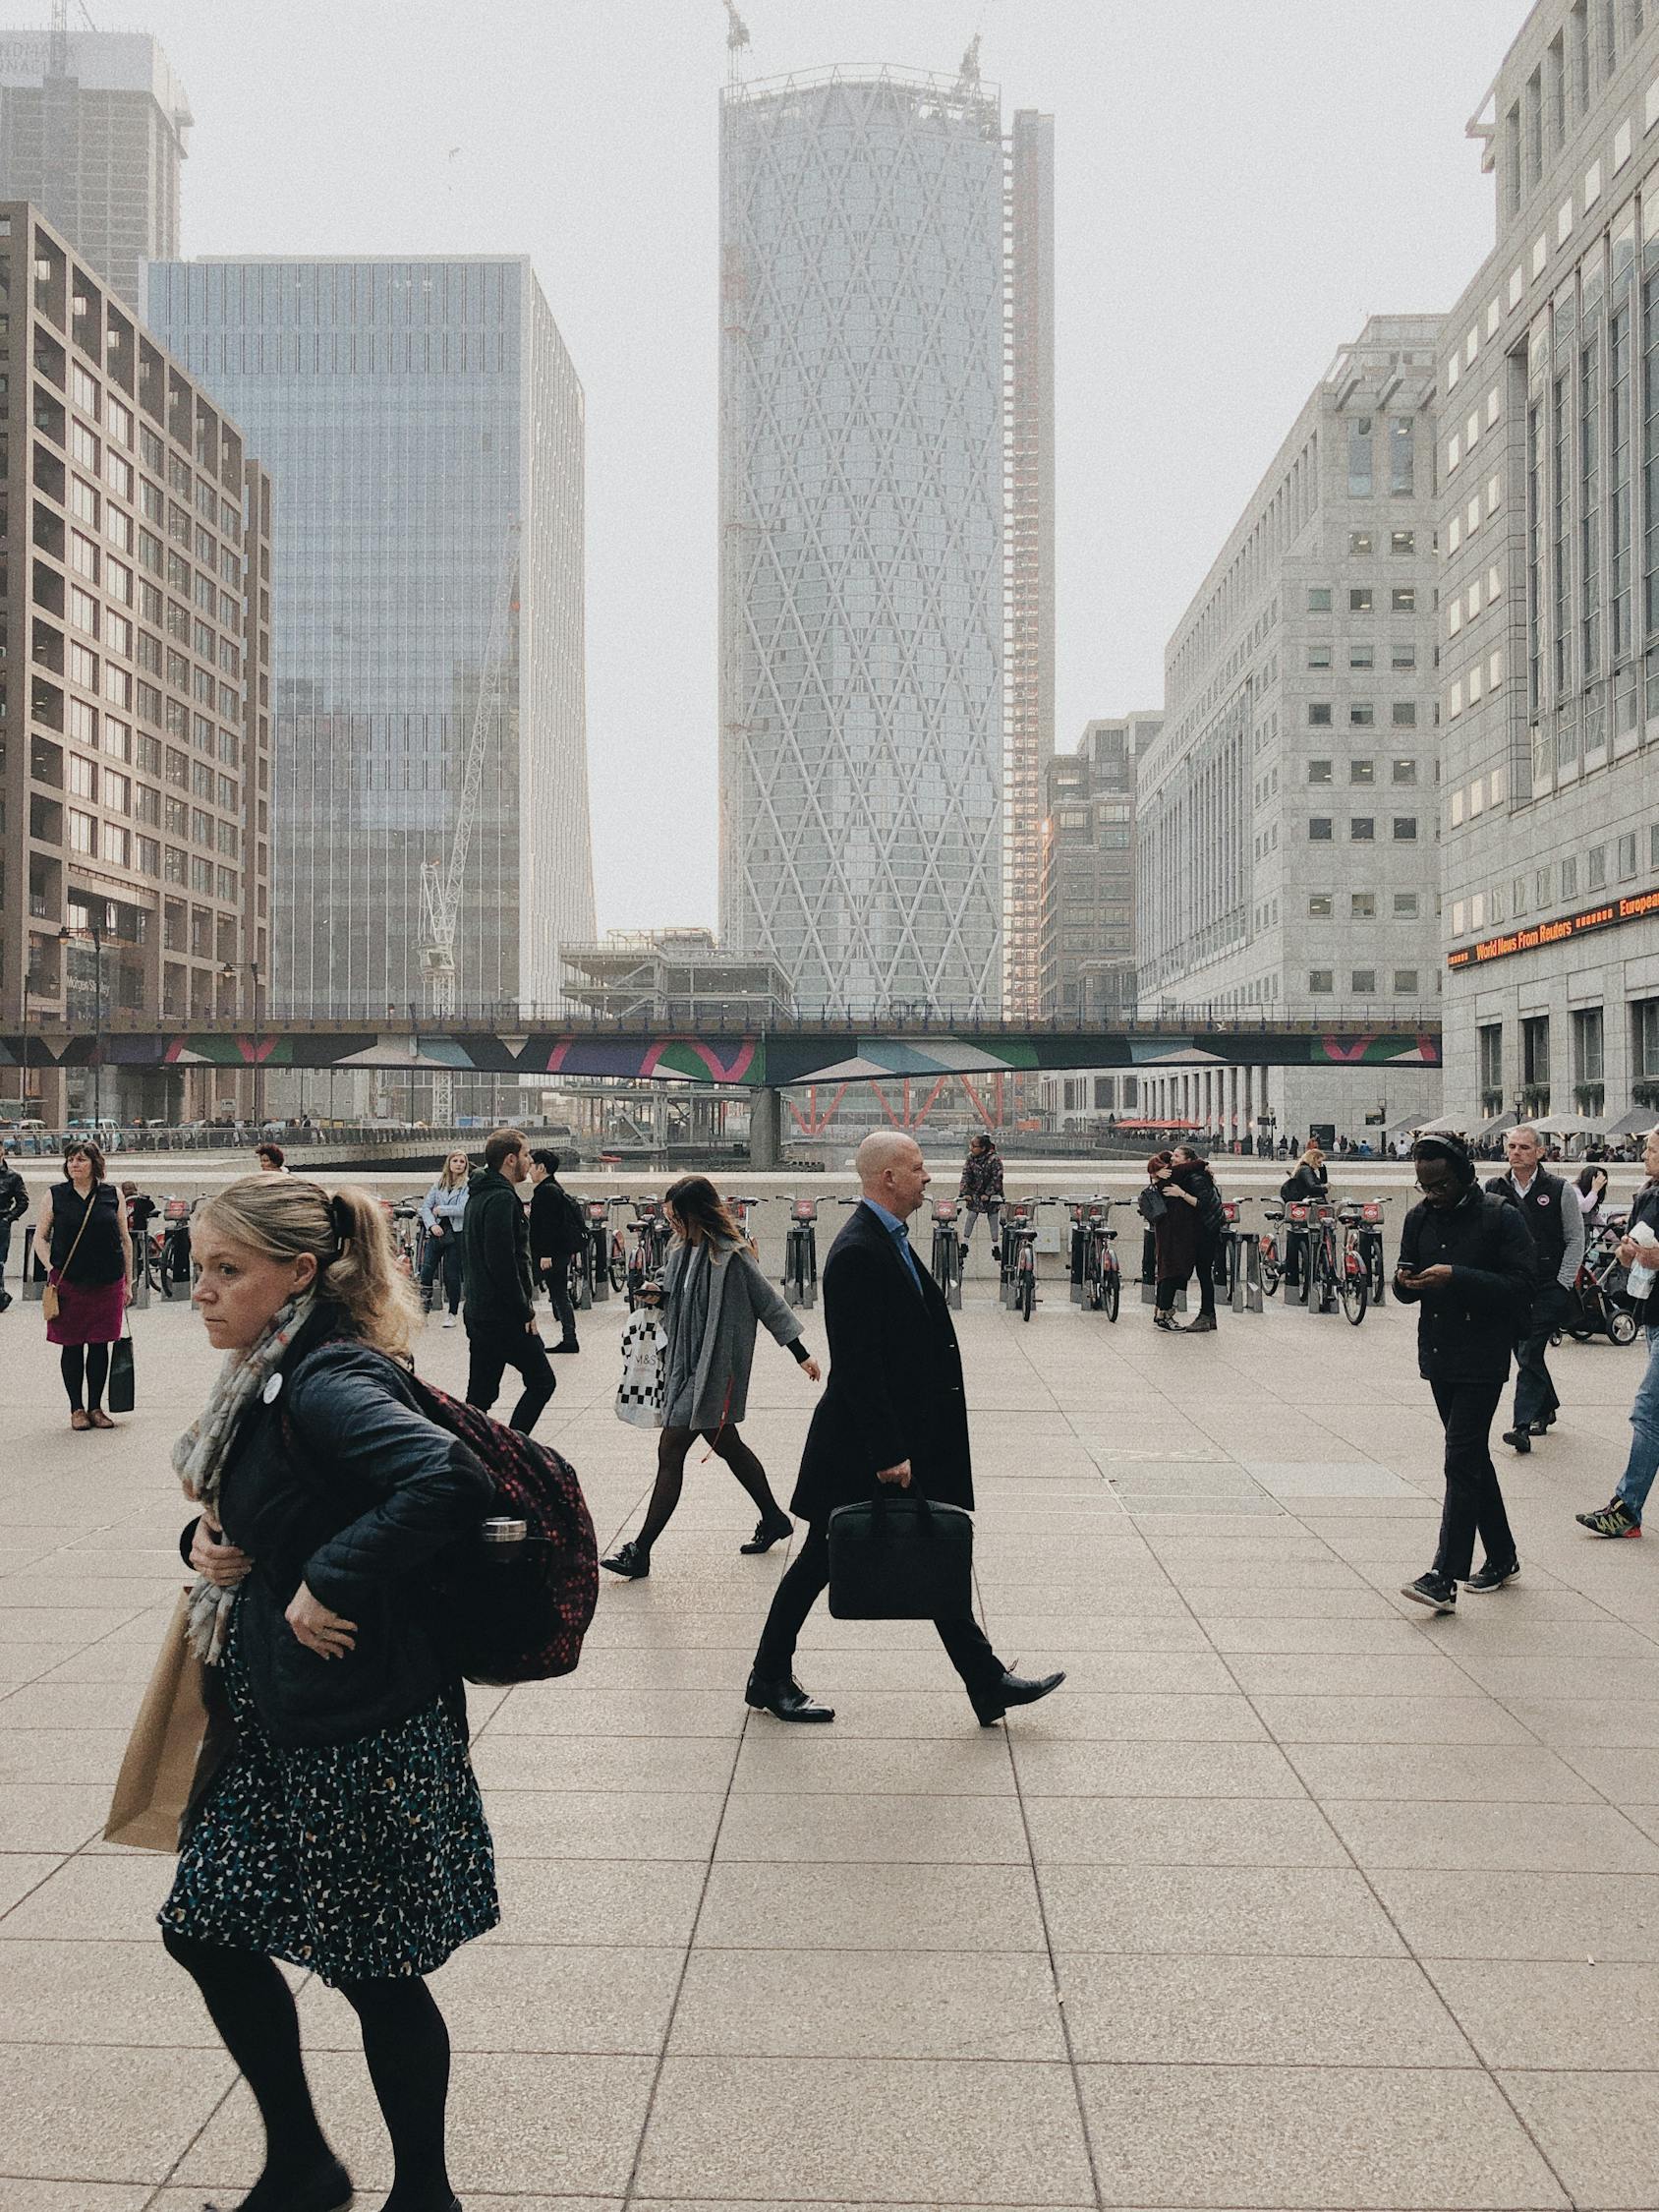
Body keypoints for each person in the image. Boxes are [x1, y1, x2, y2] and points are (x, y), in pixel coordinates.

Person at [160, 1173, 496, 2212]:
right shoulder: (269, 1373)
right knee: (204, 1926)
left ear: (299, 1273)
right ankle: (301, 2163)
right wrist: (211, 1542)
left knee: (375, 1968)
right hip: (283, 1715)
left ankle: (422, 2195)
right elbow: (268, 1507)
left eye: (227, 1271)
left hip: (360, 1725)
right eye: (199, 1266)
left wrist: (325, 1579)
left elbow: (448, 1480)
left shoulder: (324, 1377)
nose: (201, 1291)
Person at [744, 1132, 1064, 1727]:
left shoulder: (886, 1239)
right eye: (917, 1170)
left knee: (928, 1553)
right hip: (868, 1447)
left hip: (892, 1439)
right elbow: (859, 1365)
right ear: (887, 1178)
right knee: (821, 1560)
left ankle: (986, 1682)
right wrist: (890, 1452)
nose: (928, 1179)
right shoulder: (859, 1250)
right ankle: (769, 1676)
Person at [601, 1174, 821, 1579]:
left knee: (671, 1452)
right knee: (728, 1446)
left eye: (677, 1217)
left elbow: (769, 1304)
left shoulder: (732, 1256)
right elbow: (673, 1288)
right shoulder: (681, 1251)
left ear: (696, 1213)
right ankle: (773, 1517)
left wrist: (801, 1354)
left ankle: (641, 1549)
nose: (673, 1225)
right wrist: (655, 1292)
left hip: (718, 1371)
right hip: (685, 1366)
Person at [1394, 1135, 1535, 1611]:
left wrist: (1458, 1276)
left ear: (1463, 1175)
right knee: (1472, 1456)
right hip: (1438, 1353)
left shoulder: (1500, 1216)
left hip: (1483, 1355)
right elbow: (1405, 1284)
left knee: (1459, 1457)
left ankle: (1444, 1575)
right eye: (1424, 1187)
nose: (1432, 1195)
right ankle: (1502, 1555)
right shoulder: (1419, 1217)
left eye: (1439, 1186)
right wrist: (1405, 1282)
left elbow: (1521, 1286)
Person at [1576, 1124, 1659, 1538]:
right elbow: (1631, 1262)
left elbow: (1645, 1258)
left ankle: (1628, 1509)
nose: (1645, 1154)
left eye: (1651, 1148)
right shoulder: (1649, 1194)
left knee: (1648, 1413)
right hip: (1653, 1316)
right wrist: (1633, 1253)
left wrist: (1641, 1253)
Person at [1486, 1123, 1583, 1454]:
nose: (1516, 1153)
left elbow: (1574, 1238)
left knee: (1529, 1350)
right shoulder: (1494, 1187)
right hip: (1511, 1287)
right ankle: (1547, 1405)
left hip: (1547, 1285)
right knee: (1526, 1352)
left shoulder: (1559, 1189)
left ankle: (1521, 1425)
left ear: (1540, 1152)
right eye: (1512, 1146)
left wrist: (1562, 1282)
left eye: (1524, 1147)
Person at [461, 1126, 554, 1434]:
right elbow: (502, 1262)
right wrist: (524, 1310)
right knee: (542, 1381)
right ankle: (513, 1449)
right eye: (526, 1155)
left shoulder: (478, 1194)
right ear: (511, 1159)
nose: (530, 1161)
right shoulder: (502, 1199)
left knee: (480, 1396)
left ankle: (467, 1450)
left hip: (479, 1310)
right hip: (503, 1314)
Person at [34, 1139, 130, 1430]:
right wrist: (52, 1267)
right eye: (70, 1160)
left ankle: (96, 1407)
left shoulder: (112, 1195)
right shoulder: (55, 1195)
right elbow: (40, 1237)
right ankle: (76, 1408)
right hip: (69, 1282)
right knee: (72, 1346)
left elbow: (125, 1239)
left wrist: (127, 1281)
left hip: (107, 1281)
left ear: (94, 1164)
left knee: (100, 1345)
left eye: (80, 1160)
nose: (74, 1164)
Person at [528, 1148, 583, 1354]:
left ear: (541, 1167)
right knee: (560, 1294)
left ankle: (530, 1340)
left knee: (522, 1290)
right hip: (559, 1253)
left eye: (532, 1165)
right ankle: (569, 1338)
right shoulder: (554, 1188)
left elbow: (549, 1226)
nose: (529, 1170)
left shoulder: (546, 1191)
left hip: (549, 1255)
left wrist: (545, 1254)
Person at [1142, 1150, 1200, 1331]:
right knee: (1171, 1271)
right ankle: (1164, 1315)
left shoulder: (1162, 1177)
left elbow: (1155, 1160)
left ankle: (1160, 1310)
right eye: (1173, 1156)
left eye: (1177, 1156)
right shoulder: (1174, 1174)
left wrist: (1154, 1172)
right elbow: (1200, 1163)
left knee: (1165, 1270)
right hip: (1174, 1232)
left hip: (1165, 1230)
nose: (1174, 1159)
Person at [1172, 1144, 1226, 1333]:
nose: (1173, 1158)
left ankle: (1206, 1315)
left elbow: (1202, 1204)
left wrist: (1181, 1194)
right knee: (1204, 1273)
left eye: (1177, 1156)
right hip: (1206, 1229)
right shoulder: (1195, 1174)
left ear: (1187, 1160)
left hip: (1206, 1230)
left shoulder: (1196, 1178)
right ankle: (1209, 1316)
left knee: (1203, 1273)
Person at [419, 1150, 470, 1327]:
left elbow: (464, 1209)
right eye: (455, 1161)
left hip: (456, 1233)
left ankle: (452, 1313)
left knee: (451, 1274)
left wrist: (441, 1209)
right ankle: (423, 1312)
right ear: (449, 1163)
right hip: (437, 1232)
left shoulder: (467, 1186)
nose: (458, 1164)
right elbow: (425, 1207)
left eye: (462, 1161)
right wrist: (432, 1225)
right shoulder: (439, 1184)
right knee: (426, 1271)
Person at [957, 1131, 1004, 1263]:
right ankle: (964, 1244)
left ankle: (995, 1246)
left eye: (974, 1146)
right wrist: (964, 1192)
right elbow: (966, 1175)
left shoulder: (994, 1159)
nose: (971, 1149)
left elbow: (997, 1179)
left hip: (991, 1195)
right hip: (975, 1193)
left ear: (983, 1148)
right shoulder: (970, 1158)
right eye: (970, 1146)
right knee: (971, 1216)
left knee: (993, 1218)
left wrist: (988, 1194)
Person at [0, 1146, 28, 1310]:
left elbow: (23, 1201)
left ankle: (1, 1297)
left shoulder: (13, 1177)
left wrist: (7, 1218)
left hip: (1, 1223)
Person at [1574, 1163, 1611, 1231]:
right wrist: (1595, 1190)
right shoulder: (1574, 1190)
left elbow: (1599, 1223)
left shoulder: (1592, 1198)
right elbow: (1584, 1207)